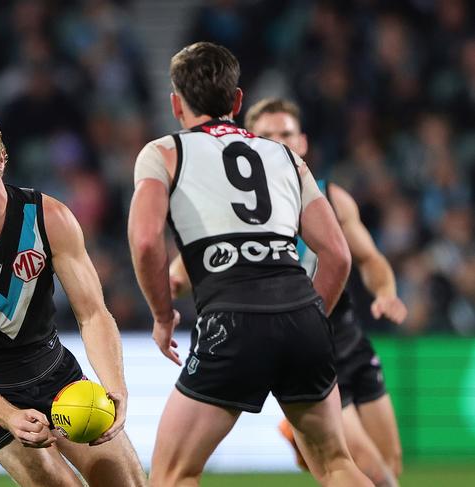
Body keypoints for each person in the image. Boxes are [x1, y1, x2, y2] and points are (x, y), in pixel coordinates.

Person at [128, 42, 372, 487]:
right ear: (238, 102)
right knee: (336, 464)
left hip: (231, 320)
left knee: (173, 474)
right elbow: (338, 254)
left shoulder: (163, 153)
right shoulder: (285, 157)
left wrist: (163, 317)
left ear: (175, 103)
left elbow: (146, 243)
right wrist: (310, 315)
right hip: (303, 316)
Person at [0, 104, 146, 487]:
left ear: (1, 159)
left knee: (129, 483)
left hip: (54, 373)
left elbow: (93, 314)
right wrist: (8, 415)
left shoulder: (49, 218)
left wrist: (114, 385)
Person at [243, 97, 406, 486]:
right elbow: (188, 261)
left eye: (286, 134)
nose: (279, 143)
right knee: (368, 466)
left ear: (303, 142)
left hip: (351, 341)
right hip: (311, 351)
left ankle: (300, 436)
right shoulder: (240, 209)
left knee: (390, 461)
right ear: (249, 142)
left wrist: (386, 291)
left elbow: (370, 259)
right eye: (267, 136)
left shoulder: (331, 198)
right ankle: (304, 432)